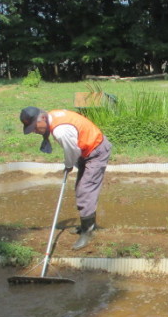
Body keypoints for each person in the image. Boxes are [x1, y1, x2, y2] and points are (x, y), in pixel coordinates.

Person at [20, 106, 112, 250]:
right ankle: (86, 225)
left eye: (34, 127)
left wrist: (68, 166)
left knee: (85, 190)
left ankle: (88, 232)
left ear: (42, 118)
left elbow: (72, 151)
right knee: (81, 189)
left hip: (96, 151)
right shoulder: (51, 116)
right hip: (85, 149)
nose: (34, 131)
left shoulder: (61, 131)